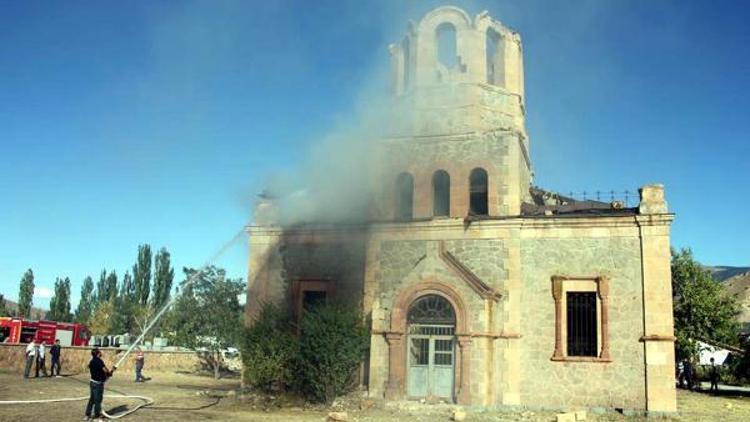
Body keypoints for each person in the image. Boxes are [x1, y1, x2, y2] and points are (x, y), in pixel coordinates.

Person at [85, 348, 114, 421]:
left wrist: (108, 373)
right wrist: (110, 373)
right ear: (98, 353)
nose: (101, 353)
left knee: (92, 399)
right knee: (98, 399)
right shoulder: (99, 361)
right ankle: (97, 416)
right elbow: (105, 370)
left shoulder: (91, 361)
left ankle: (87, 415)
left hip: (92, 382)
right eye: (100, 352)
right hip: (98, 384)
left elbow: (88, 367)